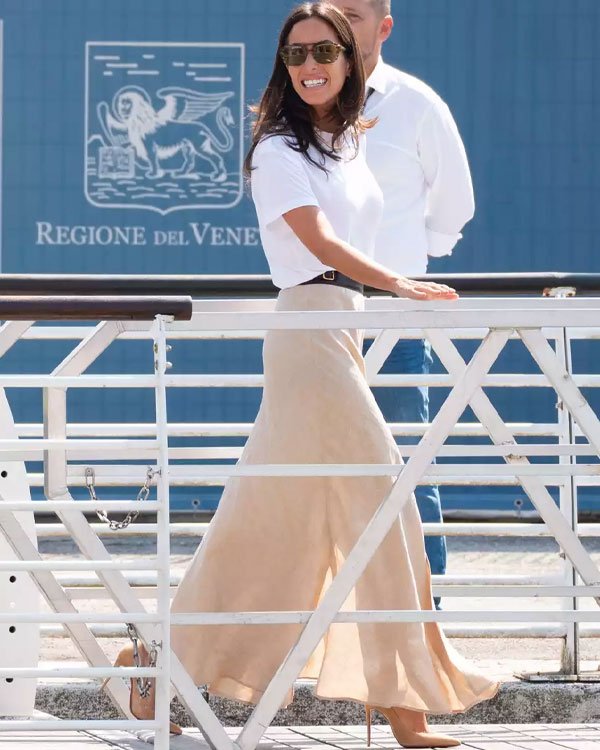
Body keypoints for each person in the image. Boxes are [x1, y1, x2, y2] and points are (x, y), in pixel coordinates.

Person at [168, 4, 498, 748]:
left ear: (351, 57)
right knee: (386, 507)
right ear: (284, 67)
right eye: (295, 54)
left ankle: (157, 663)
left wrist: (388, 290)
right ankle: (405, 706)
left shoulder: (343, 143)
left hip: (342, 328)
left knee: (266, 529)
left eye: (324, 50)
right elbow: (316, 241)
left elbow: (400, 218)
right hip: (310, 335)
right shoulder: (279, 147)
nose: (309, 64)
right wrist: (402, 283)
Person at [330, 0, 476, 607]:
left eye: (355, 15)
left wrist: (410, 267)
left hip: (393, 312)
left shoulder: (416, 103)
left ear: (384, 27)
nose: (341, 25)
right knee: (313, 454)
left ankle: (423, 600)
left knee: (404, 448)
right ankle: (326, 603)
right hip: (320, 310)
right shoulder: (298, 102)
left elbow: (454, 202)